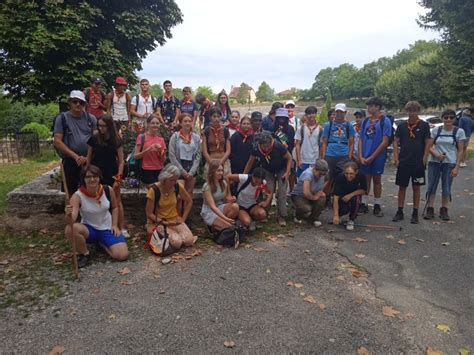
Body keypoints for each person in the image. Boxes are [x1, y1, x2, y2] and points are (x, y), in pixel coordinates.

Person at [64, 165, 129, 268]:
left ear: (99, 177)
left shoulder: (108, 190)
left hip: (107, 228)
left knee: (122, 255)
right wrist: (68, 214)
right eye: (88, 177)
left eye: (95, 176)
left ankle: (102, 243)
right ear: (83, 179)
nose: (92, 179)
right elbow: (71, 220)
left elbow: (115, 207)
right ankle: (84, 253)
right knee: (70, 229)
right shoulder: (77, 196)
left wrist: (115, 225)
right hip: (90, 230)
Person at [392, 101, 431, 224]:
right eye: (410, 110)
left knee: (416, 187)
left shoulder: (424, 125)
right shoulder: (402, 126)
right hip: (404, 161)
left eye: (415, 110)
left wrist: (424, 158)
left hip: (418, 162)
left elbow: (428, 142)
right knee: (402, 186)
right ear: (406, 111)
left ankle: (415, 212)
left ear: (418, 111)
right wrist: (396, 157)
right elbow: (395, 142)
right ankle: (400, 211)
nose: (412, 113)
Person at [86, 114, 126, 234]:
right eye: (99, 126)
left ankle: (121, 227)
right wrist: (87, 173)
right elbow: (88, 157)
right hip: (96, 174)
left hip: (112, 174)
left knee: (117, 201)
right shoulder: (94, 138)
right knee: (96, 200)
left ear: (109, 126)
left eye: (104, 126)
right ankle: (98, 227)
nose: (101, 128)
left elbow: (121, 160)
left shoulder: (116, 140)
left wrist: (118, 178)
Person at [424, 109, 465, 221]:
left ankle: (444, 209)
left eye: (451, 117)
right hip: (434, 162)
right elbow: (429, 146)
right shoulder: (436, 130)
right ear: (442, 118)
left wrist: (457, 166)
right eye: (446, 117)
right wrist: (436, 155)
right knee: (432, 185)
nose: (448, 119)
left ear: (454, 119)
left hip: (450, 162)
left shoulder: (459, 131)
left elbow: (461, 150)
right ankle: (430, 208)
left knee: (446, 186)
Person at [243, 131, 292, 226]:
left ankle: (281, 215)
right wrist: (244, 175)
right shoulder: (256, 149)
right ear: (259, 145)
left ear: (271, 143)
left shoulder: (278, 146)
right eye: (263, 146)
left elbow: (289, 157)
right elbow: (250, 162)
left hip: (281, 169)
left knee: (281, 191)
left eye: (267, 146)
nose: (265, 148)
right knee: (268, 190)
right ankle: (265, 213)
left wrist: (287, 172)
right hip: (267, 170)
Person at [53, 90, 98, 194]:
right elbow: (57, 141)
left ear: (85, 104)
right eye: (75, 101)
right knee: (70, 192)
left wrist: (87, 157)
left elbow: (96, 140)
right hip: (70, 160)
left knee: (90, 190)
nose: (78, 104)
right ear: (70, 102)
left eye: (81, 102)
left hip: (88, 160)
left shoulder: (91, 119)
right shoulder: (62, 119)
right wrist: (76, 157)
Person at [145, 164, 196, 250]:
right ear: (164, 179)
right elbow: (149, 213)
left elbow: (189, 201)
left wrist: (183, 218)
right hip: (160, 221)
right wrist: (165, 223)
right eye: (171, 180)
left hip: (174, 219)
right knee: (177, 243)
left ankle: (173, 238)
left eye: (175, 180)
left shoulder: (177, 186)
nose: (174, 183)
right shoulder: (154, 190)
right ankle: (167, 238)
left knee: (189, 241)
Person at [358, 97, 392, 217]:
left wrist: (373, 156)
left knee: (377, 180)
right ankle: (364, 203)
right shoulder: (366, 121)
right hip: (365, 155)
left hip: (377, 156)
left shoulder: (385, 121)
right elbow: (361, 138)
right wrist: (361, 155)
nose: (368, 108)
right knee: (365, 180)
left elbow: (385, 141)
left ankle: (377, 204)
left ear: (377, 107)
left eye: (370, 106)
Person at [320, 103, 355, 194]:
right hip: (330, 153)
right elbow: (324, 141)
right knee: (327, 177)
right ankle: (325, 198)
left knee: (342, 177)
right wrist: (323, 156)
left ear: (345, 112)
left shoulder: (349, 125)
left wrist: (349, 157)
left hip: (343, 154)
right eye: (337, 112)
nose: (339, 114)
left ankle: (339, 198)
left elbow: (351, 143)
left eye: (341, 112)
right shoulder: (329, 125)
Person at [168, 113, 201, 196]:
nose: (187, 123)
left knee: (189, 193)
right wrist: (182, 171)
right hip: (179, 166)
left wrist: (192, 171)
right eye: (185, 121)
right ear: (180, 123)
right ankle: (178, 209)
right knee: (179, 193)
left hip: (191, 168)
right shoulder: (175, 136)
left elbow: (198, 155)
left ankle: (187, 209)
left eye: (189, 121)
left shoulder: (196, 137)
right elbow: (172, 155)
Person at [201, 160, 240, 231]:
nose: (221, 173)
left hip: (219, 207)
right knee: (229, 227)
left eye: (222, 170)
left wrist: (230, 200)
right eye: (218, 171)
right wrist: (226, 219)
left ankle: (219, 225)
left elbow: (224, 200)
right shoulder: (207, 186)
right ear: (212, 172)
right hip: (209, 211)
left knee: (235, 206)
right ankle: (217, 225)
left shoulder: (224, 183)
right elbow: (212, 207)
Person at [291, 159, 329, 227]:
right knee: (306, 208)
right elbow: (306, 192)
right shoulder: (308, 174)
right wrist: (314, 197)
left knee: (322, 199)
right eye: (320, 174)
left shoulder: (324, 174)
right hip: (299, 195)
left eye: (323, 174)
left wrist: (321, 191)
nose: (321, 176)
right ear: (315, 169)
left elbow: (328, 180)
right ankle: (298, 216)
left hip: (313, 193)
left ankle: (313, 218)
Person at [332, 161, 367, 231]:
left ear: (356, 172)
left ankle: (351, 219)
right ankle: (340, 215)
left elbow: (364, 191)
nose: (348, 176)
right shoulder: (340, 177)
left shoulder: (361, 176)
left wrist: (350, 195)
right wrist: (335, 215)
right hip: (342, 196)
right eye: (346, 173)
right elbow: (335, 197)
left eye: (351, 174)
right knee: (342, 210)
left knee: (356, 200)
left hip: (354, 195)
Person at [133, 115, 166, 186]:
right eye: (153, 123)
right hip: (146, 170)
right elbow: (135, 156)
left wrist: (160, 151)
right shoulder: (141, 137)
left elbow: (163, 160)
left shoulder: (161, 139)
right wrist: (148, 149)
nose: (155, 125)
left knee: (157, 194)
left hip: (159, 170)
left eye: (157, 123)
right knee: (153, 193)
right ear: (148, 124)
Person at [295, 106, 323, 177]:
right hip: (303, 160)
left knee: (313, 182)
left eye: (313, 113)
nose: (311, 115)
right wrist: (299, 160)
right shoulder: (301, 128)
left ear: (316, 114)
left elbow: (322, 145)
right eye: (309, 113)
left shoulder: (320, 129)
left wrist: (321, 159)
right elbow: (297, 144)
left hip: (315, 160)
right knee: (301, 181)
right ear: (306, 115)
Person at [272, 108, 296, 191]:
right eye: (279, 118)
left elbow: (292, 144)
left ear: (287, 118)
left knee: (286, 176)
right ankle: (274, 195)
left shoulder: (290, 129)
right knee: (273, 178)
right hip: (274, 157)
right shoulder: (272, 128)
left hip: (286, 156)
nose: (281, 120)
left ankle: (288, 193)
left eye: (283, 118)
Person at [202, 107, 231, 174]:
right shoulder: (206, 131)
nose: (216, 119)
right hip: (211, 161)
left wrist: (221, 162)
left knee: (225, 183)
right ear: (210, 117)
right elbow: (204, 151)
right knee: (211, 182)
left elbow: (228, 150)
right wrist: (212, 163)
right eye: (214, 116)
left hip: (224, 161)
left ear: (221, 117)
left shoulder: (225, 130)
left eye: (218, 116)